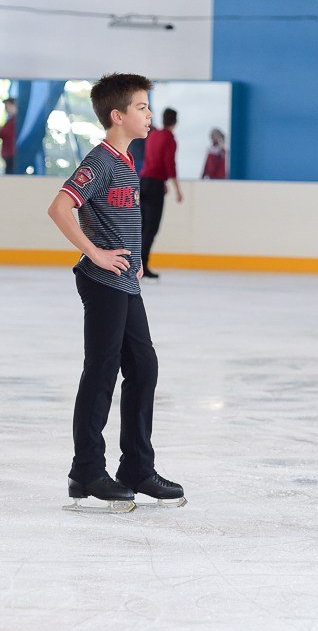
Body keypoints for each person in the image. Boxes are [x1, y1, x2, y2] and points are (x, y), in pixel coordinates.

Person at [47, 73, 184, 508]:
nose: (148, 115)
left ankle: (136, 468)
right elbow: (60, 206)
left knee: (143, 367)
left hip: (124, 281)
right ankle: (86, 471)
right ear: (117, 115)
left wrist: (134, 259)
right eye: (142, 107)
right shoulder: (102, 160)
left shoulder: (126, 161)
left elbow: (119, 217)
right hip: (103, 281)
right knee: (102, 372)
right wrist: (97, 253)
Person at [139, 107, 183, 278]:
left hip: (144, 182)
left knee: (142, 226)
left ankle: (135, 264)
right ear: (175, 122)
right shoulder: (169, 138)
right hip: (155, 185)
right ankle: (142, 265)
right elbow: (169, 164)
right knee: (151, 227)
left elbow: (151, 159)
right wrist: (177, 190)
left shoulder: (153, 135)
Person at [1, 97, 17, 174]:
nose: (6, 109)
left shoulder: (16, 120)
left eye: (7, 106)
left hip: (13, 154)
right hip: (8, 154)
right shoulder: (10, 120)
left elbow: (8, 133)